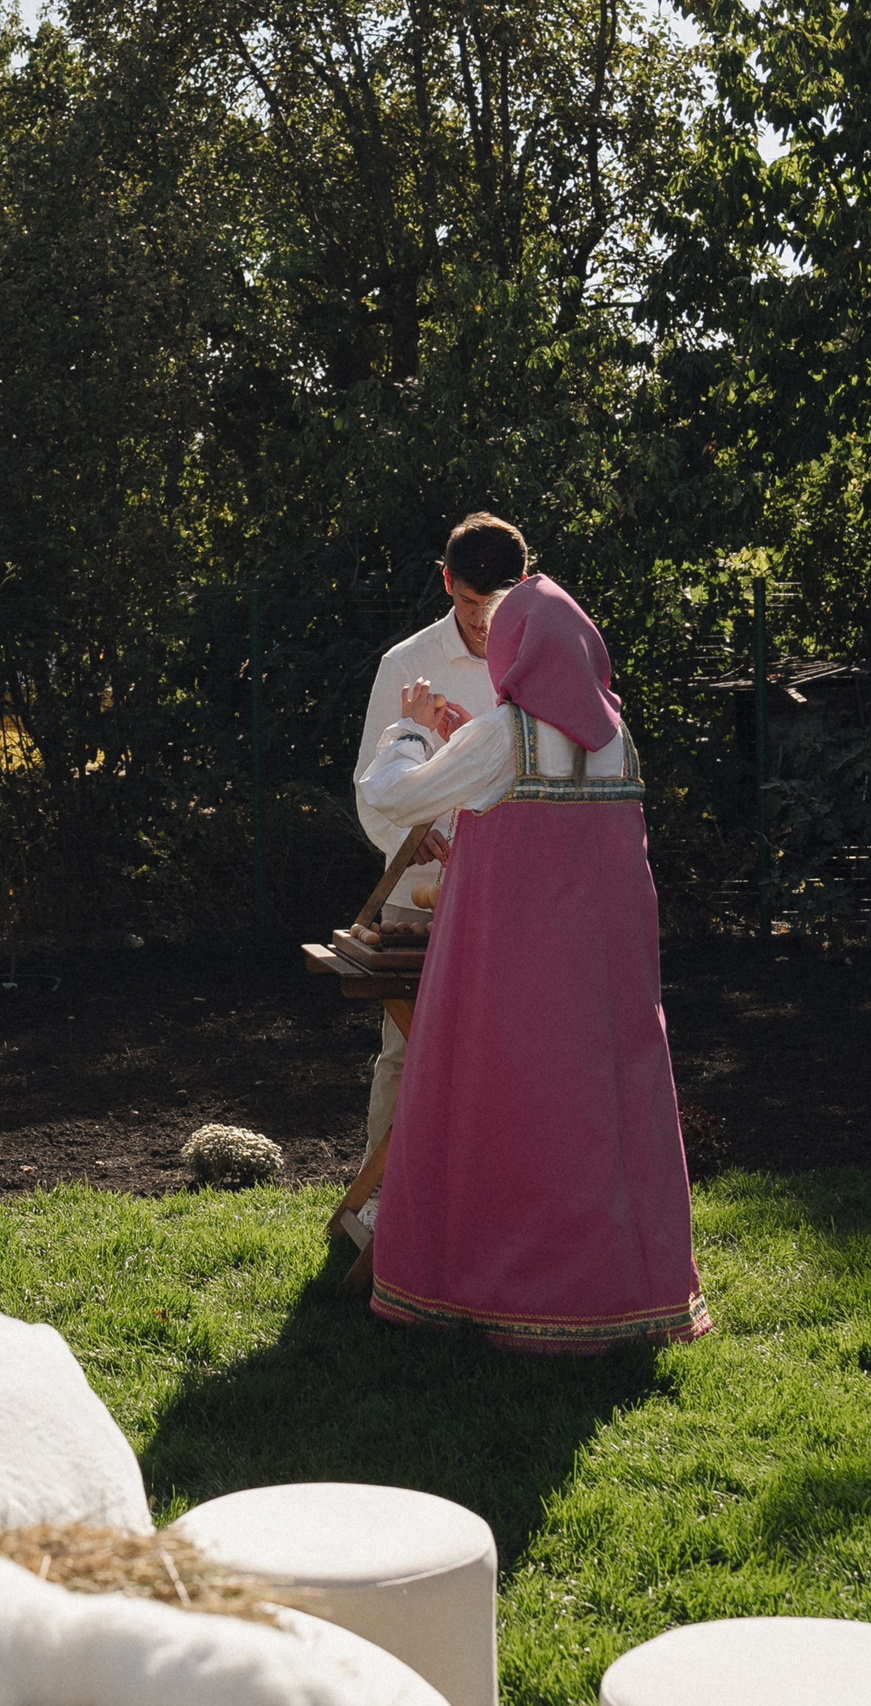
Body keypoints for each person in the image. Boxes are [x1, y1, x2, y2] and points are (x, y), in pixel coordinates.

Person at [357, 570, 714, 1353]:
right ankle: (621, 1300)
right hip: (606, 983)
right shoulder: (618, 738)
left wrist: (413, 729)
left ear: (518, 649)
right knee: (601, 1121)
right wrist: (465, 745)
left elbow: (394, 798)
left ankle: (493, 1293)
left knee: (505, 1112)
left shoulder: (504, 735)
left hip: (510, 979)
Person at [346, 514, 527, 1187]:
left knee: (509, 1057)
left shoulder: (541, 662)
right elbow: (373, 792)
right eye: (469, 604)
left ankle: (485, 1201)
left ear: (526, 586)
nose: (482, 623)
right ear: (447, 583)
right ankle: (375, 1209)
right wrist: (419, 842)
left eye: (496, 605)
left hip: (513, 895)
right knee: (406, 1051)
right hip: (418, 896)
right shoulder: (408, 662)